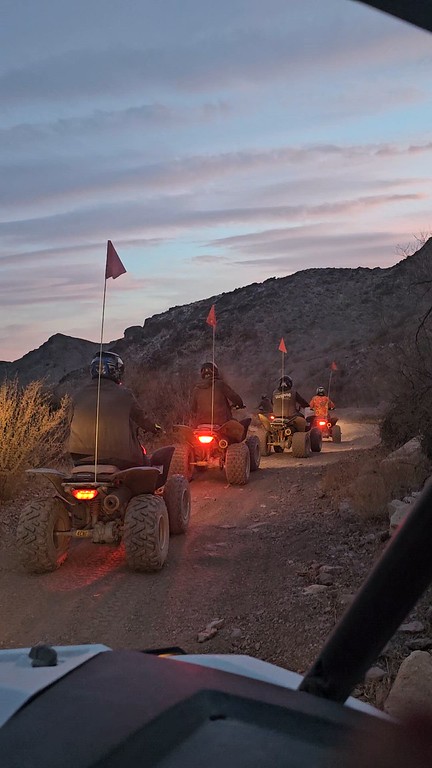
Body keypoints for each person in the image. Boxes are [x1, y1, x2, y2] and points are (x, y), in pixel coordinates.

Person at [68, 351, 161, 470]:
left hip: (79, 458)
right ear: (115, 371)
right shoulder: (125, 395)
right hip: (120, 457)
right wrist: (156, 429)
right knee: (149, 467)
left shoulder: (78, 395)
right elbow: (142, 419)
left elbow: (70, 422)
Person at [191, 362, 245, 426]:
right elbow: (234, 397)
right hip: (221, 424)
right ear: (215, 371)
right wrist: (240, 404)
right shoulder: (220, 384)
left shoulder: (197, 389)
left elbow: (193, 409)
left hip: (201, 424)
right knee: (238, 428)